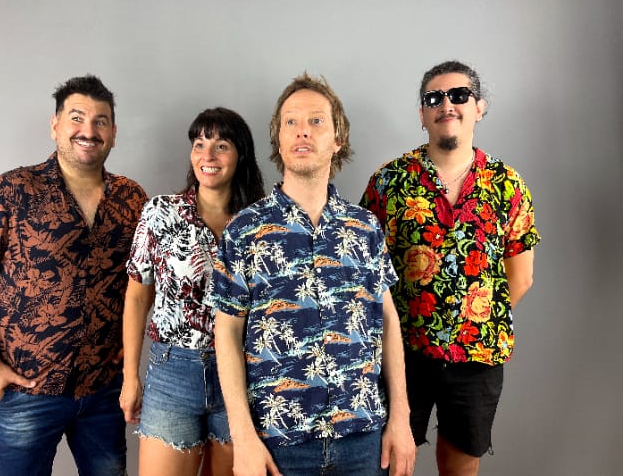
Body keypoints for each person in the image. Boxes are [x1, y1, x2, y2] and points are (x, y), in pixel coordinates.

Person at [0, 75, 148, 476]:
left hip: (104, 391)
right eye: (77, 118)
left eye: (100, 121)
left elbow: (144, 285)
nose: (88, 130)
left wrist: (130, 366)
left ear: (113, 133)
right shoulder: (10, 191)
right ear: (55, 125)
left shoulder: (132, 199)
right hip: (26, 392)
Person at [210, 73, 416, 476]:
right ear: (279, 140)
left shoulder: (365, 228)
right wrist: (243, 437)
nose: (302, 130)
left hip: (363, 439)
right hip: (278, 444)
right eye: (291, 122)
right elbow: (227, 332)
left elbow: (388, 322)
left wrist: (401, 418)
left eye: (316, 121)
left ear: (338, 139)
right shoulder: (245, 230)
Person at [360, 60, 541, 476]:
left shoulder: (507, 184)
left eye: (459, 95)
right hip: (402, 353)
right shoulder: (389, 181)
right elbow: (366, 272)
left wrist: (469, 319)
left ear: (479, 108)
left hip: (477, 355)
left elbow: (521, 276)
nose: (447, 105)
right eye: (434, 98)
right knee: (389, 462)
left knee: (460, 464)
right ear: (422, 115)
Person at [119, 107, 265, 476]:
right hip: (173, 372)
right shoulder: (160, 212)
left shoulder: (258, 223)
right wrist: (130, 376)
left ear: (241, 155)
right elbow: (137, 296)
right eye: (199, 144)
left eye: (221, 146)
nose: (207, 155)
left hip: (242, 374)